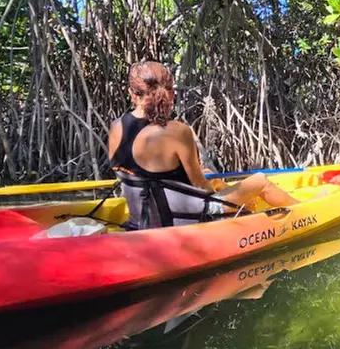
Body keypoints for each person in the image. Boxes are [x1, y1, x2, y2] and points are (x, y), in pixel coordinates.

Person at [108, 60, 296, 228]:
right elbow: (200, 187)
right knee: (260, 181)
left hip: (142, 218)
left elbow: (148, 176)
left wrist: (212, 180)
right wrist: (227, 197)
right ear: (171, 93)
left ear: (132, 94)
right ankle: (303, 211)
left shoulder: (116, 127)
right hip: (179, 217)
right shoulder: (177, 131)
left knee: (211, 176)